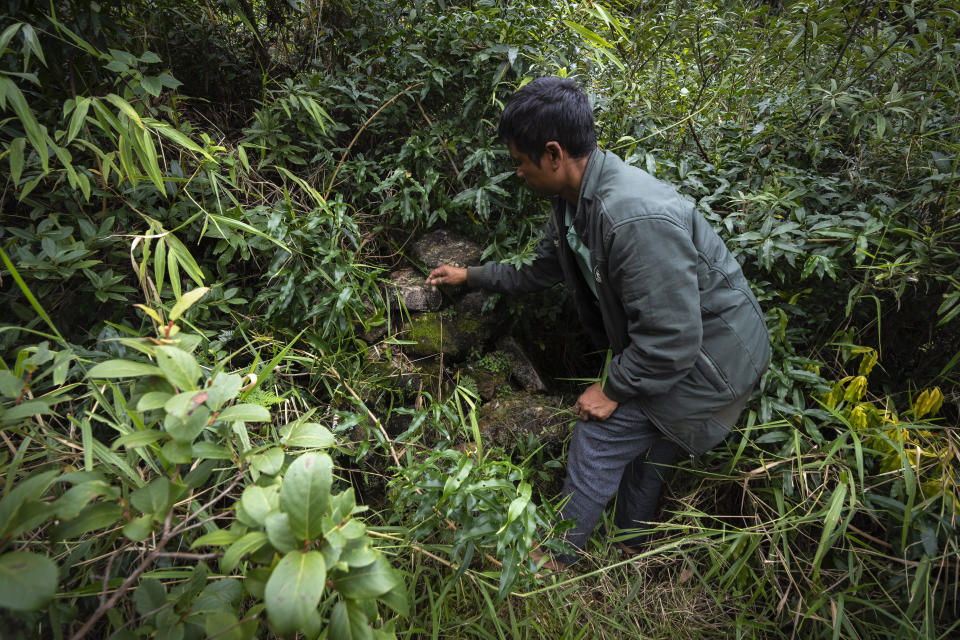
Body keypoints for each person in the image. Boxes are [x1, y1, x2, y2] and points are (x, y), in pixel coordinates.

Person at [425, 77, 770, 569]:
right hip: (706, 349)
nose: (517, 173)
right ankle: (633, 546)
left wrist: (612, 388)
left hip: (714, 361)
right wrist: (471, 275)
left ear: (552, 154)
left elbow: (672, 339)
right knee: (652, 444)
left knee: (599, 434)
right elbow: (540, 270)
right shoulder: (574, 203)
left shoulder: (631, 217)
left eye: (519, 162)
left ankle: (555, 558)